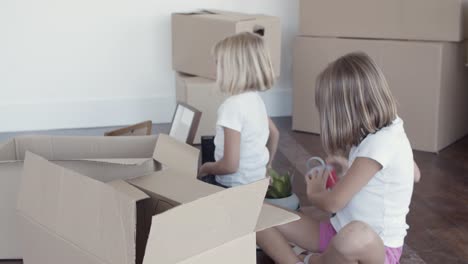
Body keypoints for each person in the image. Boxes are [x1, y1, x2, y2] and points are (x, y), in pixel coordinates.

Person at [257, 52, 421, 264]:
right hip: (337, 232)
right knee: (258, 214)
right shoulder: (386, 128)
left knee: (356, 234)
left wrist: (315, 192)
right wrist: (349, 169)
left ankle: (317, 261)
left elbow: (333, 203)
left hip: (374, 250)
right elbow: (414, 174)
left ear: (343, 110)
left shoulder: (382, 142)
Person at [198, 32, 279, 188]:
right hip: (255, 184)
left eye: (217, 63)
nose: (213, 69)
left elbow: (229, 166)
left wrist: (205, 168)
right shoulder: (256, 99)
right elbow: (275, 133)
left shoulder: (232, 106)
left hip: (233, 187)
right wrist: (266, 167)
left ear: (233, 69)